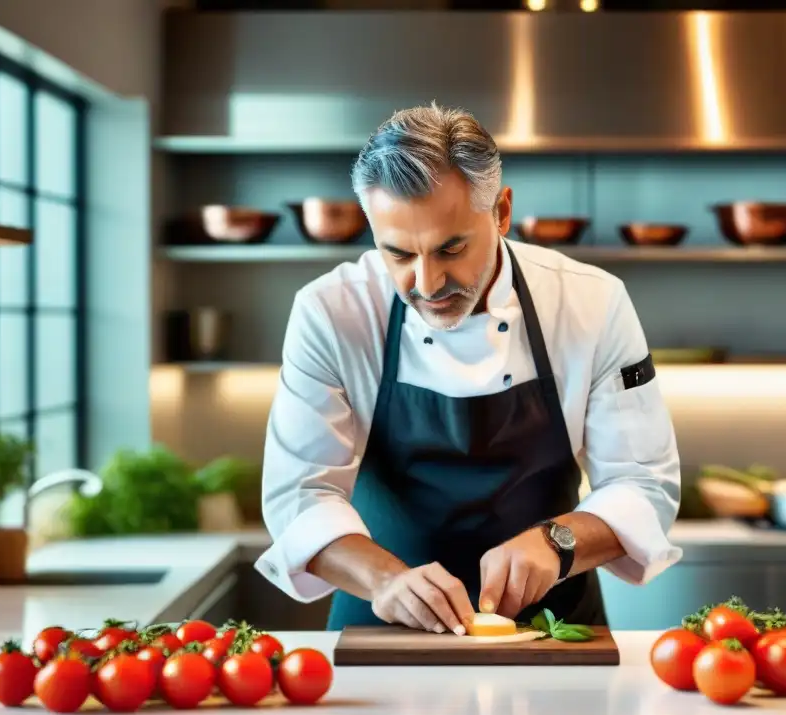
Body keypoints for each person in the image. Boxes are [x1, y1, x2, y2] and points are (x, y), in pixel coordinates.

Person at [255, 103, 682, 635]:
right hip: (382, 625)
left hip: (554, 630)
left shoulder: (591, 302)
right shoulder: (331, 312)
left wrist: (556, 543)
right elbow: (300, 493)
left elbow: (642, 482)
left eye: (450, 248)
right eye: (398, 254)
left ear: (501, 212)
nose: (428, 284)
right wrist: (386, 580)